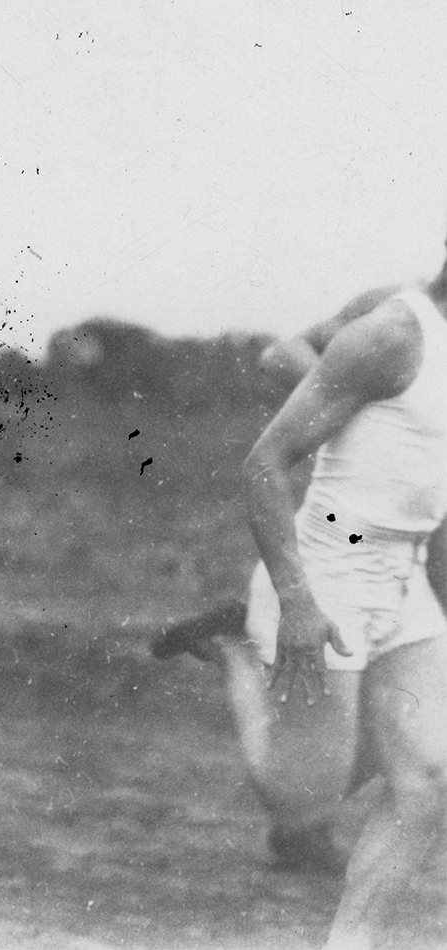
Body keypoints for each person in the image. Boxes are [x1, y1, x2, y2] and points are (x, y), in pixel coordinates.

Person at [151, 284, 403, 872]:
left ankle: (304, 828)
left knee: (414, 718)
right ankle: (237, 648)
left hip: (417, 540)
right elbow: (281, 354)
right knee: (315, 761)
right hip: (351, 532)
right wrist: (359, 410)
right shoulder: (400, 313)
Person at [239, 240, 447, 948]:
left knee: (431, 778)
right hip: (331, 569)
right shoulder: (391, 333)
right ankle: (233, 654)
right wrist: (298, 602)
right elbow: (263, 462)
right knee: (303, 799)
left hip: (404, 572)